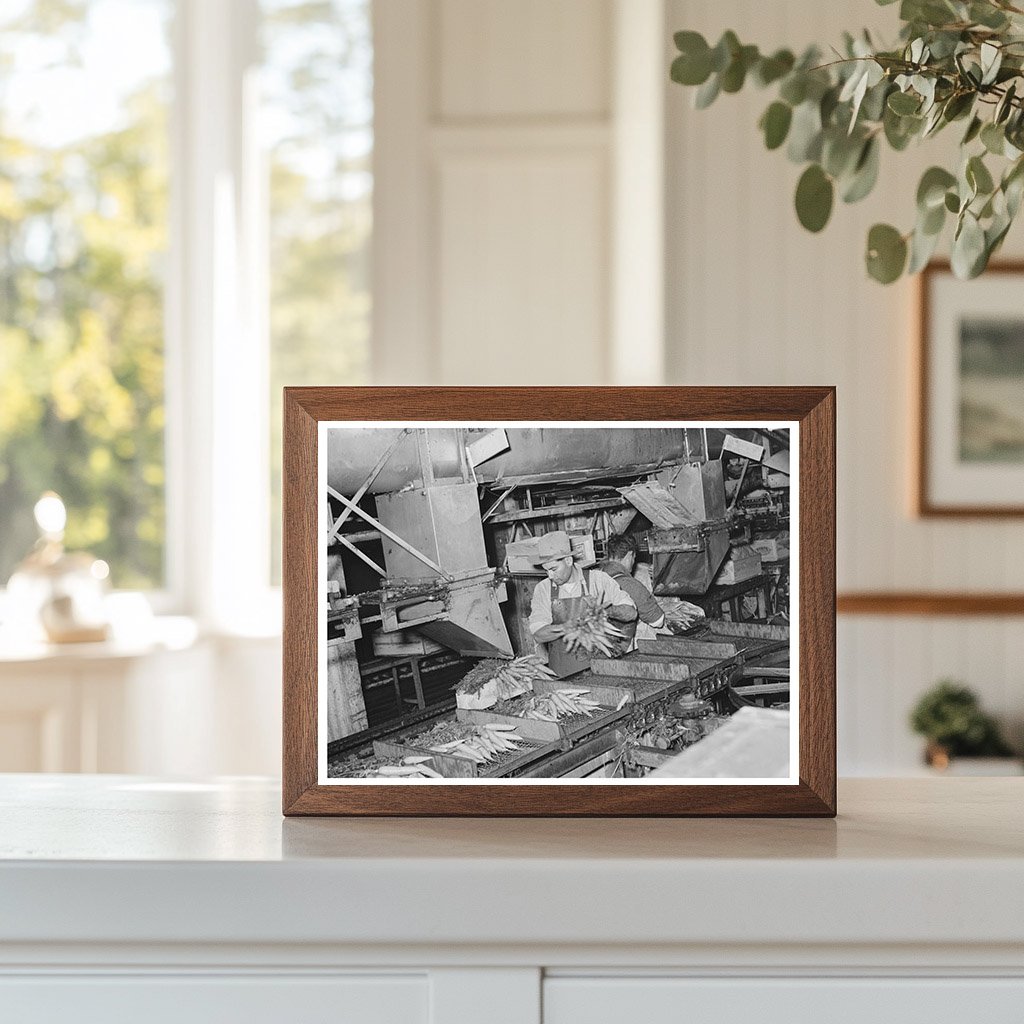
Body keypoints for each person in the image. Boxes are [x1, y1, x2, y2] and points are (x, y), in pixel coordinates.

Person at [528, 531, 637, 657]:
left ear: (568, 561)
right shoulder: (543, 589)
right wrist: (564, 628)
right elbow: (538, 634)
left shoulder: (598, 580)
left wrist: (606, 611)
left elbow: (631, 613)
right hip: (562, 667)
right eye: (546, 571)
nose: (550, 576)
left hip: (600, 661)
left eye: (553, 569)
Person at [598, 534, 703, 644]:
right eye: (634, 558)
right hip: (628, 645)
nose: (633, 562)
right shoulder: (631, 585)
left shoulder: (595, 577)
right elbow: (658, 621)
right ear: (629, 555)